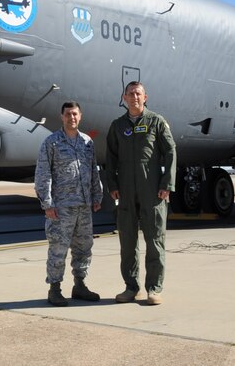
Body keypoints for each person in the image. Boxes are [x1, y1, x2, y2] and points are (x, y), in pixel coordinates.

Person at [105, 81, 176, 305]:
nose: (134, 97)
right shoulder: (117, 126)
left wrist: (167, 183)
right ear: (124, 98)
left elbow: (170, 151)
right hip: (126, 191)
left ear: (145, 97)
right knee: (127, 242)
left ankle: (154, 289)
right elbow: (110, 158)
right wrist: (112, 185)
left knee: (155, 240)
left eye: (138, 94)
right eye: (130, 94)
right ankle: (130, 287)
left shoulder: (156, 122)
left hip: (152, 191)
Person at [35, 101, 103, 307]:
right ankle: (54, 289)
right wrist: (47, 203)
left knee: (84, 247)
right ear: (62, 117)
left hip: (84, 206)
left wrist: (97, 196)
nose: (71, 118)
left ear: (80, 116)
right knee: (58, 248)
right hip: (61, 207)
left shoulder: (87, 142)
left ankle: (80, 285)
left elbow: (94, 171)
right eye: (67, 114)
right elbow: (43, 174)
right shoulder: (52, 142)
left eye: (74, 114)